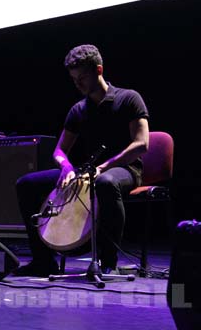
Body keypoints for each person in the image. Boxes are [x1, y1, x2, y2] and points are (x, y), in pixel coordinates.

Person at [14, 44, 149, 277]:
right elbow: (59, 151)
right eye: (74, 79)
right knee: (26, 184)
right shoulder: (79, 110)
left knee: (106, 183)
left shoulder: (128, 98)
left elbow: (142, 144)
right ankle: (43, 261)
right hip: (88, 171)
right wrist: (66, 167)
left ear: (99, 69)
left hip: (125, 170)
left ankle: (109, 263)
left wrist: (104, 166)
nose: (77, 85)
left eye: (82, 78)